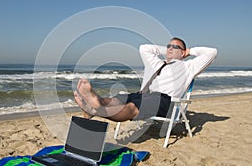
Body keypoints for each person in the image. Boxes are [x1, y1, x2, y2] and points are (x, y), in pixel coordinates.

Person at [74, 37, 217, 122]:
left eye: (175, 46)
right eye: (168, 46)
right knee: (119, 98)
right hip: (144, 95)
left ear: (183, 52)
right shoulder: (156, 63)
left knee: (131, 107)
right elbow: (144, 48)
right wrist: (169, 51)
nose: (170, 48)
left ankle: (95, 111)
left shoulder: (188, 67)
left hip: (166, 101)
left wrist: (189, 52)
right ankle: (96, 102)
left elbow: (212, 52)